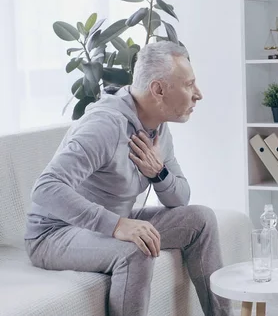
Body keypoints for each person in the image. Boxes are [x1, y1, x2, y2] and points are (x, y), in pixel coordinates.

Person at [24, 41, 233, 316]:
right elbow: (46, 188)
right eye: (189, 84)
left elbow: (180, 199)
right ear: (158, 89)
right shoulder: (105, 125)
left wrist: (158, 173)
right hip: (54, 233)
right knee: (136, 250)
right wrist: (116, 225)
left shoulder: (158, 126)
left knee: (201, 219)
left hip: (106, 224)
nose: (198, 94)